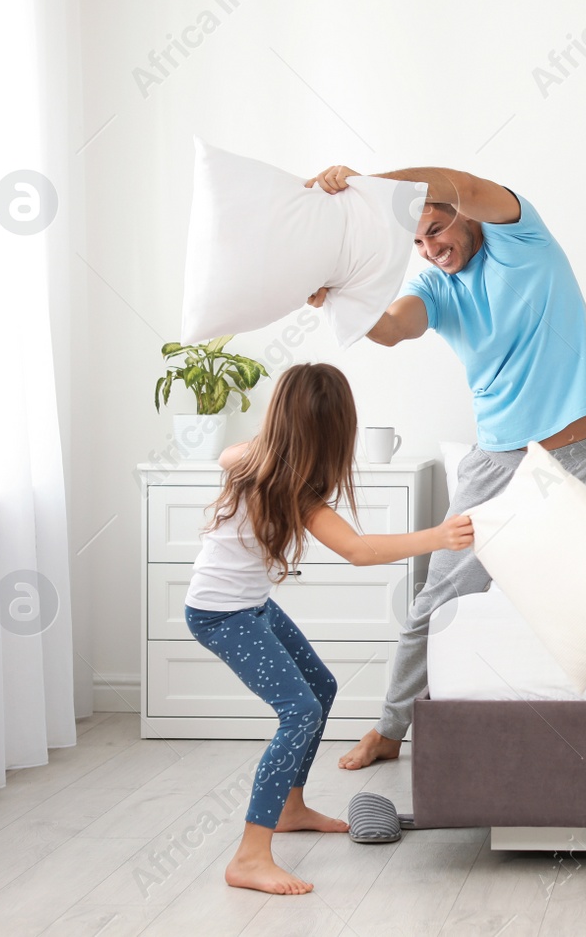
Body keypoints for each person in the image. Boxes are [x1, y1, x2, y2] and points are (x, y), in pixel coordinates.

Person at [304, 164, 586, 769]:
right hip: (494, 463)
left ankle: (563, 739)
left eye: (436, 230)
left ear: (463, 216)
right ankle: (391, 730)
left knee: (565, 601)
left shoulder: (523, 239)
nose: (431, 249)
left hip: (572, 458)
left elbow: (459, 182)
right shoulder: (439, 288)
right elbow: (394, 328)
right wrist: (339, 300)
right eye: (417, 242)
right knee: (437, 600)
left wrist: (368, 183)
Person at [184, 363, 473, 895]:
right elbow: (361, 552)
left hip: (251, 606)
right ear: (334, 434)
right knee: (300, 711)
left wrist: (254, 453)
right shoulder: (290, 490)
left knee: (320, 687)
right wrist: (439, 536)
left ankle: (290, 808)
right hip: (220, 614)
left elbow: (228, 455)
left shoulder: (260, 463)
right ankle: (249, 856)